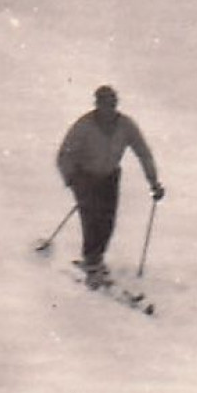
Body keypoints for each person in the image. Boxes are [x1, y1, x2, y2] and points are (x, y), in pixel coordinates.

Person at [56, 85, 164, 287]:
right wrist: (71, 178)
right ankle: (92, 262)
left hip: (109, 178)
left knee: (107, 221)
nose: (109, 109)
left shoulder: (126, 125)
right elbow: (65, 153)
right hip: (85, 177)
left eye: (112, 104)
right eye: (105, 104)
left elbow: (143, 153)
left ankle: (96, 258)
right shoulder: (85, 125)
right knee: (91, 219)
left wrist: (154, 182)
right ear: (97, 105)